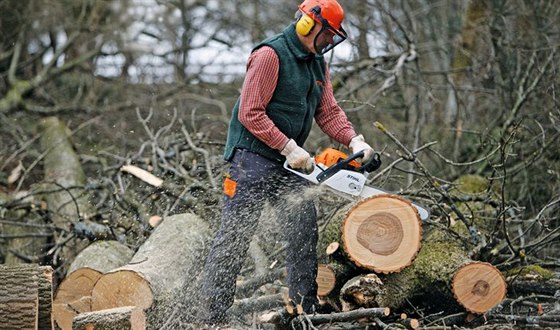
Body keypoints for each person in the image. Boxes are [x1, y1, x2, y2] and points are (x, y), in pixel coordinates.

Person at [198, 0, 374, 325]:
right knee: (235, 236)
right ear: (309, 25)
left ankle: (303, 312)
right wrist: (288, 146)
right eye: (326, 36)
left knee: (303, 225)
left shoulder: (317, 64)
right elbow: (249, 111)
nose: (327, 44)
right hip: (252, 158)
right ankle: (211, 317)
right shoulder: (271, 55)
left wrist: (353, 139)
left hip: (287, 162)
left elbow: (329, 112)